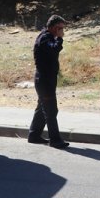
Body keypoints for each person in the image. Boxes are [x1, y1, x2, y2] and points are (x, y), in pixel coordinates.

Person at [28, 15, 69, 149]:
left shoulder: (48, 37)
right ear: (54, 28)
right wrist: (60, 38)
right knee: (51, 110)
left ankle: (34, 135)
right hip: (44, 81)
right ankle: (55, 140)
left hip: (47, 80)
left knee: (43, 108)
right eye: (60, 28)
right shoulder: (45, 38)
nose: (62, 31)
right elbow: (54, 49)